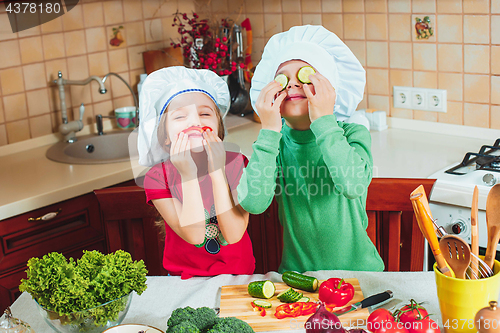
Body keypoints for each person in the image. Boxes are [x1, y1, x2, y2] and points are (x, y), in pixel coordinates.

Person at [237, 25, 384, 273]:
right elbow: (253, 202)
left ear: (330, 88)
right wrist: (270, 129)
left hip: (361, 275)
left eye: (305, 76)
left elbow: (353, 184)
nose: (293, 84)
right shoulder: (275, 143)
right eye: (282, 79)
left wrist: (324, 119)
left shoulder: (352, 134)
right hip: (297, 277)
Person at [137, 66, 255, 279]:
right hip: (184, 279)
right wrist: (188, 174)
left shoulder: (237, 163)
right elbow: (194, 234)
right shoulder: (157, 177)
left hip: (238, 275)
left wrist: (218, 171)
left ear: (219, 129)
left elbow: (234, 233)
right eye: (180, 116)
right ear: (165, 137)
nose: (195, 122)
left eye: (204, 113)